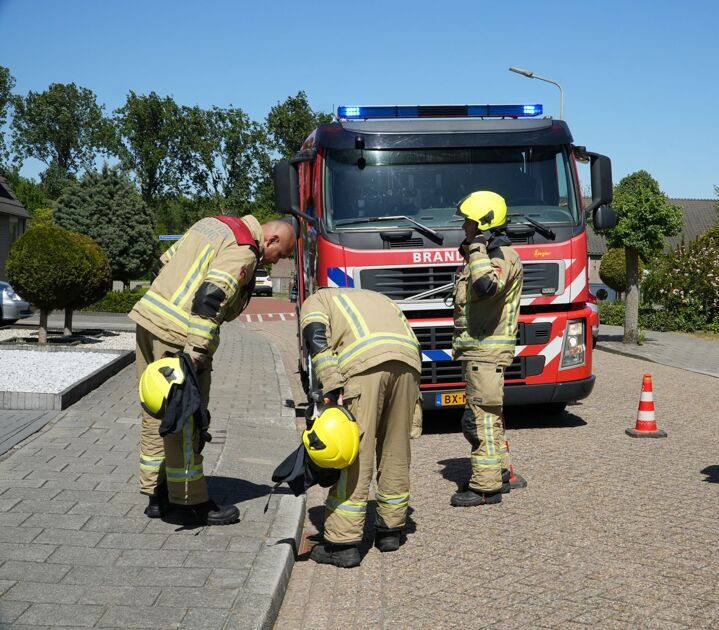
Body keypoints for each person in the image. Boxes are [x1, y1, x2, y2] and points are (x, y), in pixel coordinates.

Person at [131, 214, 296, 525]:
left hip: (150, 320)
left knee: (156, 409)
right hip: (180, 335)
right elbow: (210, 297)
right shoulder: (244, 248)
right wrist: (196, 350)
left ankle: (157, 495)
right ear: (272, 240)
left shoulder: (214, 224)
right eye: (282, 254)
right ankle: (190, 503)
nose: (276, 261)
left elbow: (162, 264)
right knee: (186, 416)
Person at [300, 288, 421, 568]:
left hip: (365, 367)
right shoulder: (381, 297)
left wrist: (331, 386)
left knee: (356, 452)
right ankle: (390, 531)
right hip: (409, 365)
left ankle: (343, 545)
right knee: (396, 449)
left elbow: (317, 339)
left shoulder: (316, 301)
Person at [449, 191, 524, 508]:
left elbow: (486, 288)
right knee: (487, 418)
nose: (463, 226)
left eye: (468, 220)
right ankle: (501, 474)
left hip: (486, 353)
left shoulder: (499, 257)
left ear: (480, 223)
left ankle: (486, 487)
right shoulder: (488, 254)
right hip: (479, 353)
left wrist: (476, 250)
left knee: (481, 421)